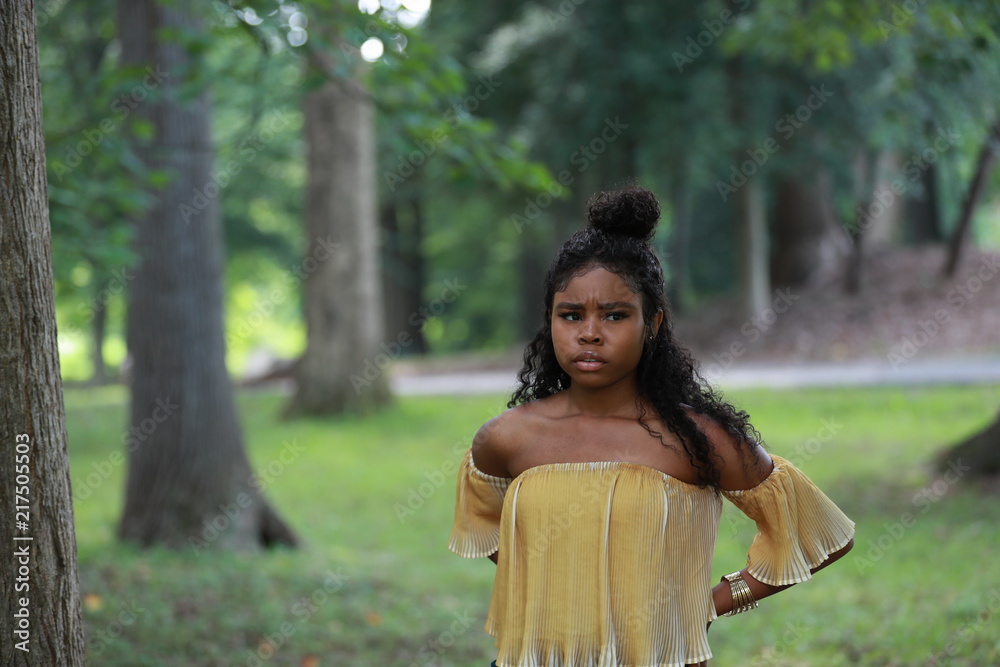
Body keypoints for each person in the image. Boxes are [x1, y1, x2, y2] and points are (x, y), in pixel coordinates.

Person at [448, 185, 855, 667]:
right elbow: (491, 530)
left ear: (653, 323)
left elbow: (817, 533)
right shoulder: (506, 439)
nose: (590, 332)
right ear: (550, 322)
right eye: (571, 315)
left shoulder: (696, 438)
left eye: (615, 315)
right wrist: (558, 589)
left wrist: (710, 602)